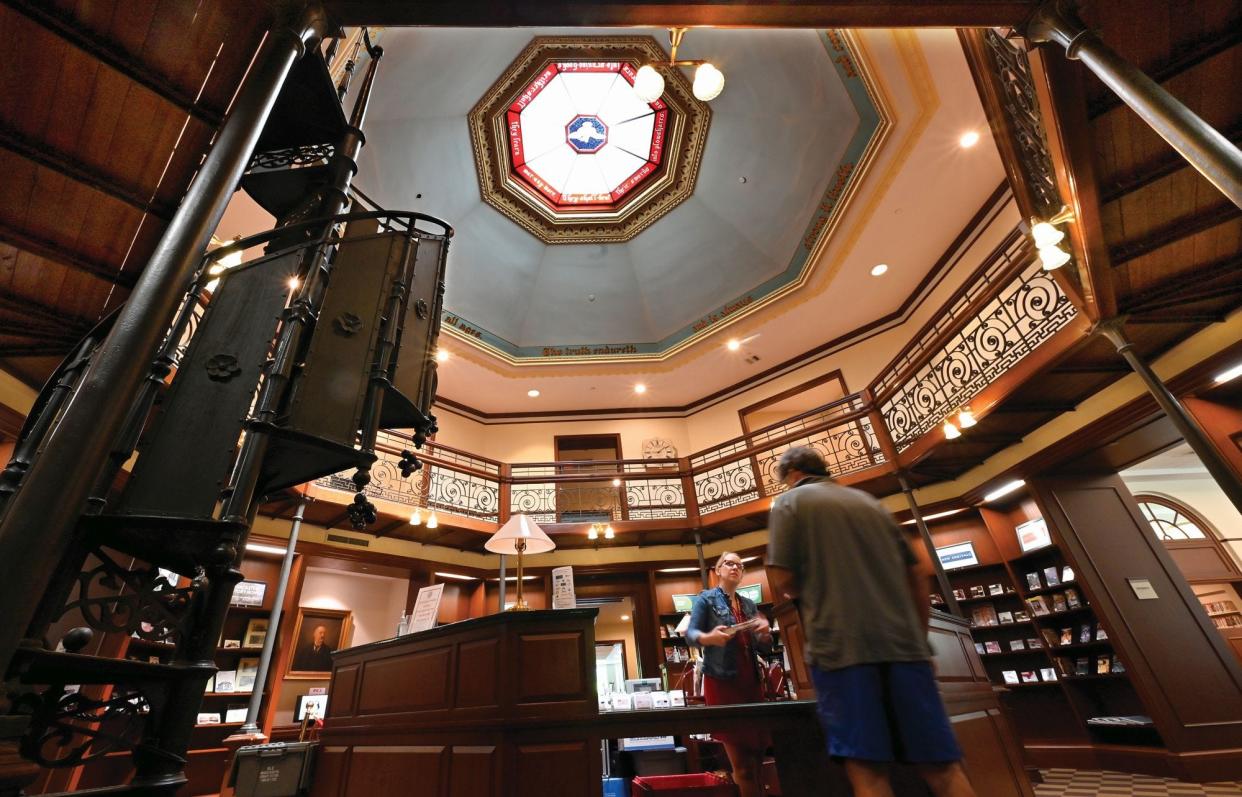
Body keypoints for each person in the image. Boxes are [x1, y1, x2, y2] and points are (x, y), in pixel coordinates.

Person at [765, 447, 977, 797]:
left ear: (790, 476)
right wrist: (917, 641)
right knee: (942, 767)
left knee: (867, 770)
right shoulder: (871, 504)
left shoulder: (791, 503)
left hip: (843, 652)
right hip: (905, 652)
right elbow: (918, 575)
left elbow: (784, 578)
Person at [686, 551, 773, 797]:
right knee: (742, 766)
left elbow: (764, 647)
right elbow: (690, 635)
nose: (735, 567)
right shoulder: (706, 599)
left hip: (752, 683)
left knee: (757, 762)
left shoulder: (748, 604)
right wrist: (708, 637)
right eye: (729, 563)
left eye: (740, 565)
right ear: (717, 570)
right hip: (724, 683)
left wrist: (765, 633)